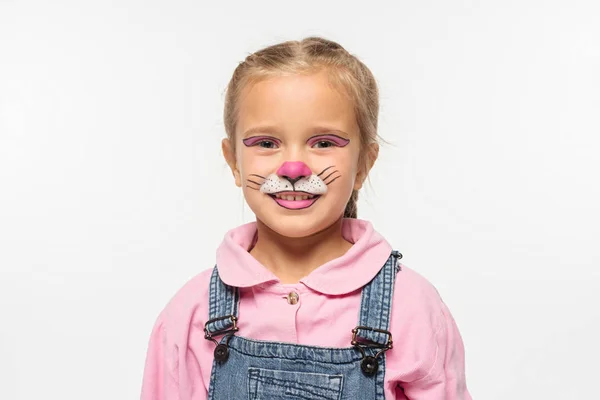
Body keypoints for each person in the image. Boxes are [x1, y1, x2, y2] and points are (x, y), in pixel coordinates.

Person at [140, 36, 472, 400]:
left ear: (363, 163)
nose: (293, 168)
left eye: (324, 142)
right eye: (266, 143)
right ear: (233, 161)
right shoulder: (191, 314)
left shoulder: (412, 308)